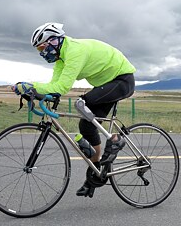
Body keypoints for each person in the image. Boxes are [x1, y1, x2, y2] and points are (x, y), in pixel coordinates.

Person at [12, 22, 136, 198]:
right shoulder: (61, 60)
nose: (41, 53)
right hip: (105, 84)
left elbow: (62, 87)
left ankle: (116, 140)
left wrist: (30, 85)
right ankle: (95, 175)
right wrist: (33, 92)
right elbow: (53, 86)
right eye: (38, 50)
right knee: (86, 127)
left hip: (122, 80)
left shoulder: (74, 51)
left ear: (53, 41)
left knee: (83, 101)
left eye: (41, 48)